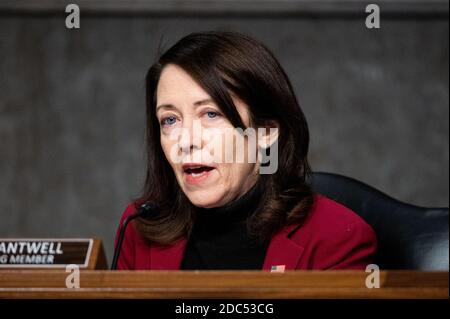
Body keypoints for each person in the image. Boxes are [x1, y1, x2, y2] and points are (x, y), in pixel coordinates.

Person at [114, 31, 377, 270]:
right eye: (170, 119)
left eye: (210, 114)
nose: (186, 141)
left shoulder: (338, 237)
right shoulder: (139, 226)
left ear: (265, 132)